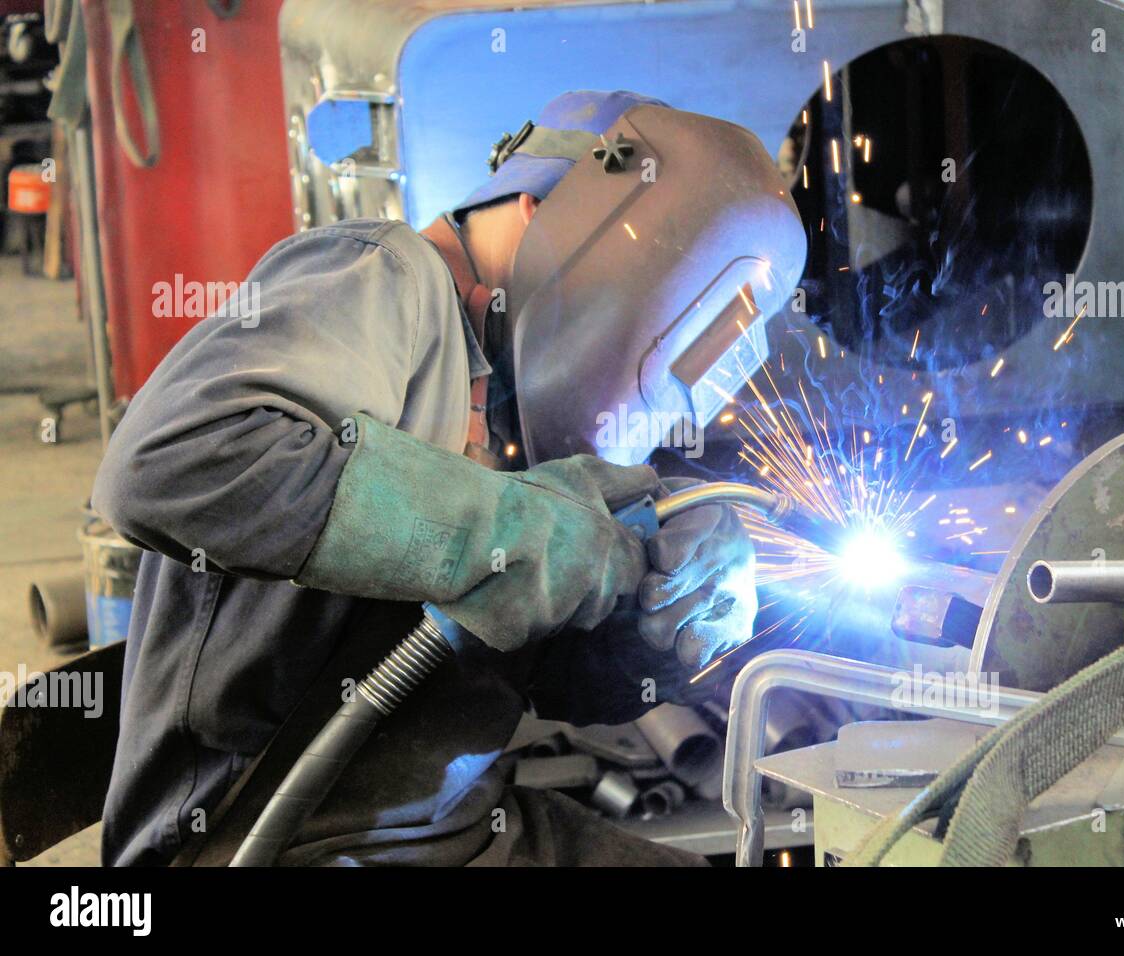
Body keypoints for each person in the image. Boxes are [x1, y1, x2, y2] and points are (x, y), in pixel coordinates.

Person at [92, 90, 806, 866]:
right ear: (548, 216)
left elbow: (545, 685)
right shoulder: (380, 277)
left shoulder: (513, 402)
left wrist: (658, 624)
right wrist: (512, 531)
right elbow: (170, 462)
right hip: (259, 847)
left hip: (459, 833)